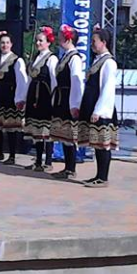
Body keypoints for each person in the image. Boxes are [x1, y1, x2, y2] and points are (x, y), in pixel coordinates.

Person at [78, 28, 119, 188]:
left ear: (104, 42)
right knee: (96, 144)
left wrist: (99, 110)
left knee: (103, 145)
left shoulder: (109, 62)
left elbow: (107, 88)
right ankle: (98, 175)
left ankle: (103, 177)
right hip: (93, 106)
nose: (92, 44)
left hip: (102, 110)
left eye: (94, 41)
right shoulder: (98, 60)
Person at [0, 30, 29, 165]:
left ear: (11, 44)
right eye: (2, 43)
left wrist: (20, 98)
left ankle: (12, 155)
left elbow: (22, 80)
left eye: (7, 42)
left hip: (10, 94)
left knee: (11, 127)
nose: (5, 45)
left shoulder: (17, 60)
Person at [49, 25, 85, 180]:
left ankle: (71, 168)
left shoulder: (74, 58)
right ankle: (67, 167)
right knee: (64, 134)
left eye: (61, 37)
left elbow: (77, 82)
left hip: (68, 98)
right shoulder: (65, 56)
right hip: (61, 97)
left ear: (68, 39)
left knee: (70, 134)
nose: (58, 39)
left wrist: (75, 104)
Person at [22, 26, 58, 171]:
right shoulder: (36, 58)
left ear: (48, 42)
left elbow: (54, 80)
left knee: (46, 129)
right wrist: (25, 97)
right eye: (37, 41)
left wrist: (54, 100)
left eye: (41, 41)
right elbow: (29, 79)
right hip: (33, 95)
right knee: (36, 130)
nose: (38, 43)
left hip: (45, 95)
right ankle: (37, 161)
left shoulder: (51, 58)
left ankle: (48, 162)